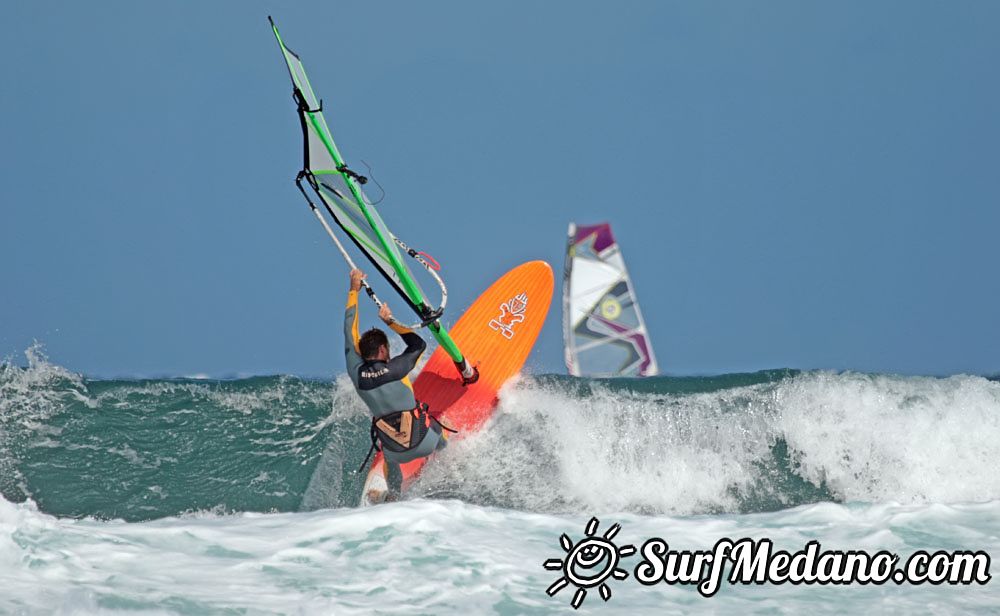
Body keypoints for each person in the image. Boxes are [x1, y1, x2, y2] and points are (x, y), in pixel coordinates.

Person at [344, 268, 448, 496]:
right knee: (438, 429)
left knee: (389, 458)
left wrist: (354, 291)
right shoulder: (396, 368)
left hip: (395, 452)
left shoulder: (357, 374)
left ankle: (394, 494)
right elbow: (417, 345)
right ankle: (445, 454)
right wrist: (390, 321)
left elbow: (349, 335)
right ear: (383, 350)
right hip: (425, 443)